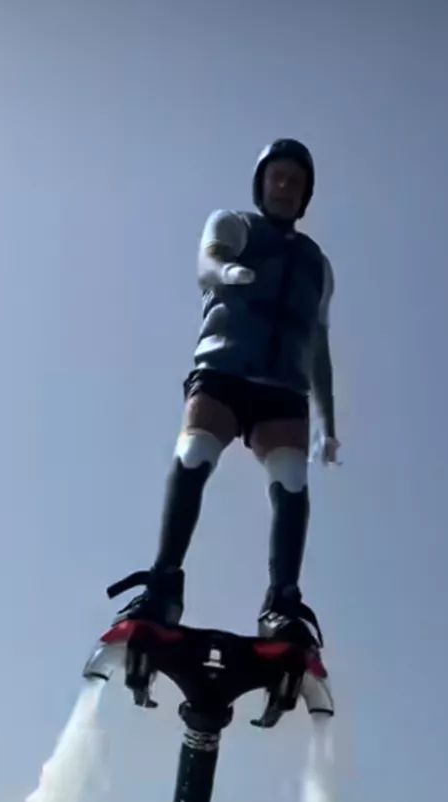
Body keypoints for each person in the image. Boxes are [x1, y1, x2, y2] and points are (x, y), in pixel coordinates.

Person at [108, 138, 339, 651]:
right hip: (224, 370)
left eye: (295, 182)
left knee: (292, 480)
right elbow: (208, 263)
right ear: (262, 183)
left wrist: (329, 423)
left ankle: (282, 603)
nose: (285, 187)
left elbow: (319, 343)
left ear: (305, 195)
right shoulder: (233, 224)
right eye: (277, 177)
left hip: (284, 388)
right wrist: (228, 271)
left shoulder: (318, 266)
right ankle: (164, 583)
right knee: (194, 452)